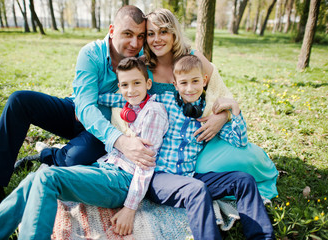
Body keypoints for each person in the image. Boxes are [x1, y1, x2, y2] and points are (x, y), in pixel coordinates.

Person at [0, 5, 157, 232]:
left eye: (140, 36)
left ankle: (47, 157)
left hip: (104, 129)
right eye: (128, 34)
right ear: (112, 30)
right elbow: (85, 106)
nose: (135, 44)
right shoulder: (91, 53)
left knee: (73, 161)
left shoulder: (143, 63)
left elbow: (182, 55)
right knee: (20, 101)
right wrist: (120, 141)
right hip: (78, 112)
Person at [101, 55, 275, 239]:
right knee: (196, 189)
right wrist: (92, 101)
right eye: (184, 83)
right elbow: (129, 99)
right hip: (160, 178)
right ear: (175, 84)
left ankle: (262, 237)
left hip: (189, 176)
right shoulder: (163, 101)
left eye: (195, 81)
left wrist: (235, 110)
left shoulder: (210, 112)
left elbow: (240, 142)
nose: (190, 88)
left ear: (204, 81)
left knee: (244, 180)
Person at [143, 8, 278, 200]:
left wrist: (221, 117)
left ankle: (256, 176)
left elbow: (224, 94)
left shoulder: (193, 58)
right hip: (168, 148)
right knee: (203, 171)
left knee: (247, 157)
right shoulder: (143, 66)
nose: (157, 39)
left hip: (203, 138)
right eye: (150, 34)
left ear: (174, 33)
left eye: (163, 31)